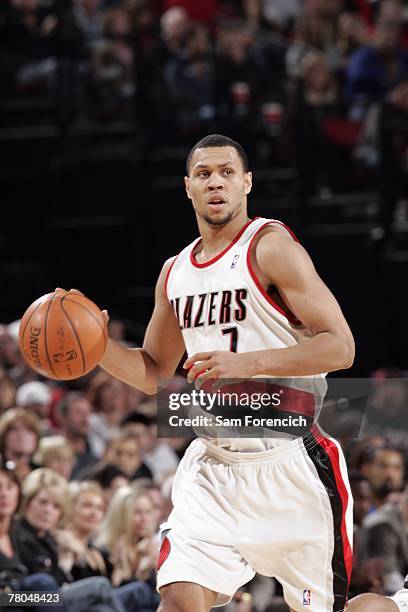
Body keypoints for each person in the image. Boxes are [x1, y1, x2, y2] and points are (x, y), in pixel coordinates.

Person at [57, 132, 355, 612]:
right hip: (213, 466)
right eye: (203, 174)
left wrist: (246, 364)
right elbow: (153, 371)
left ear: (247, 183)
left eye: (226, 173)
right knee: (177, 598)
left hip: (292, 464)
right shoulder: (175, 272)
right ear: (188, 187)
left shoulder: (270, 246)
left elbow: (341, 347)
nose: (215, 183)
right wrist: (96, 348)